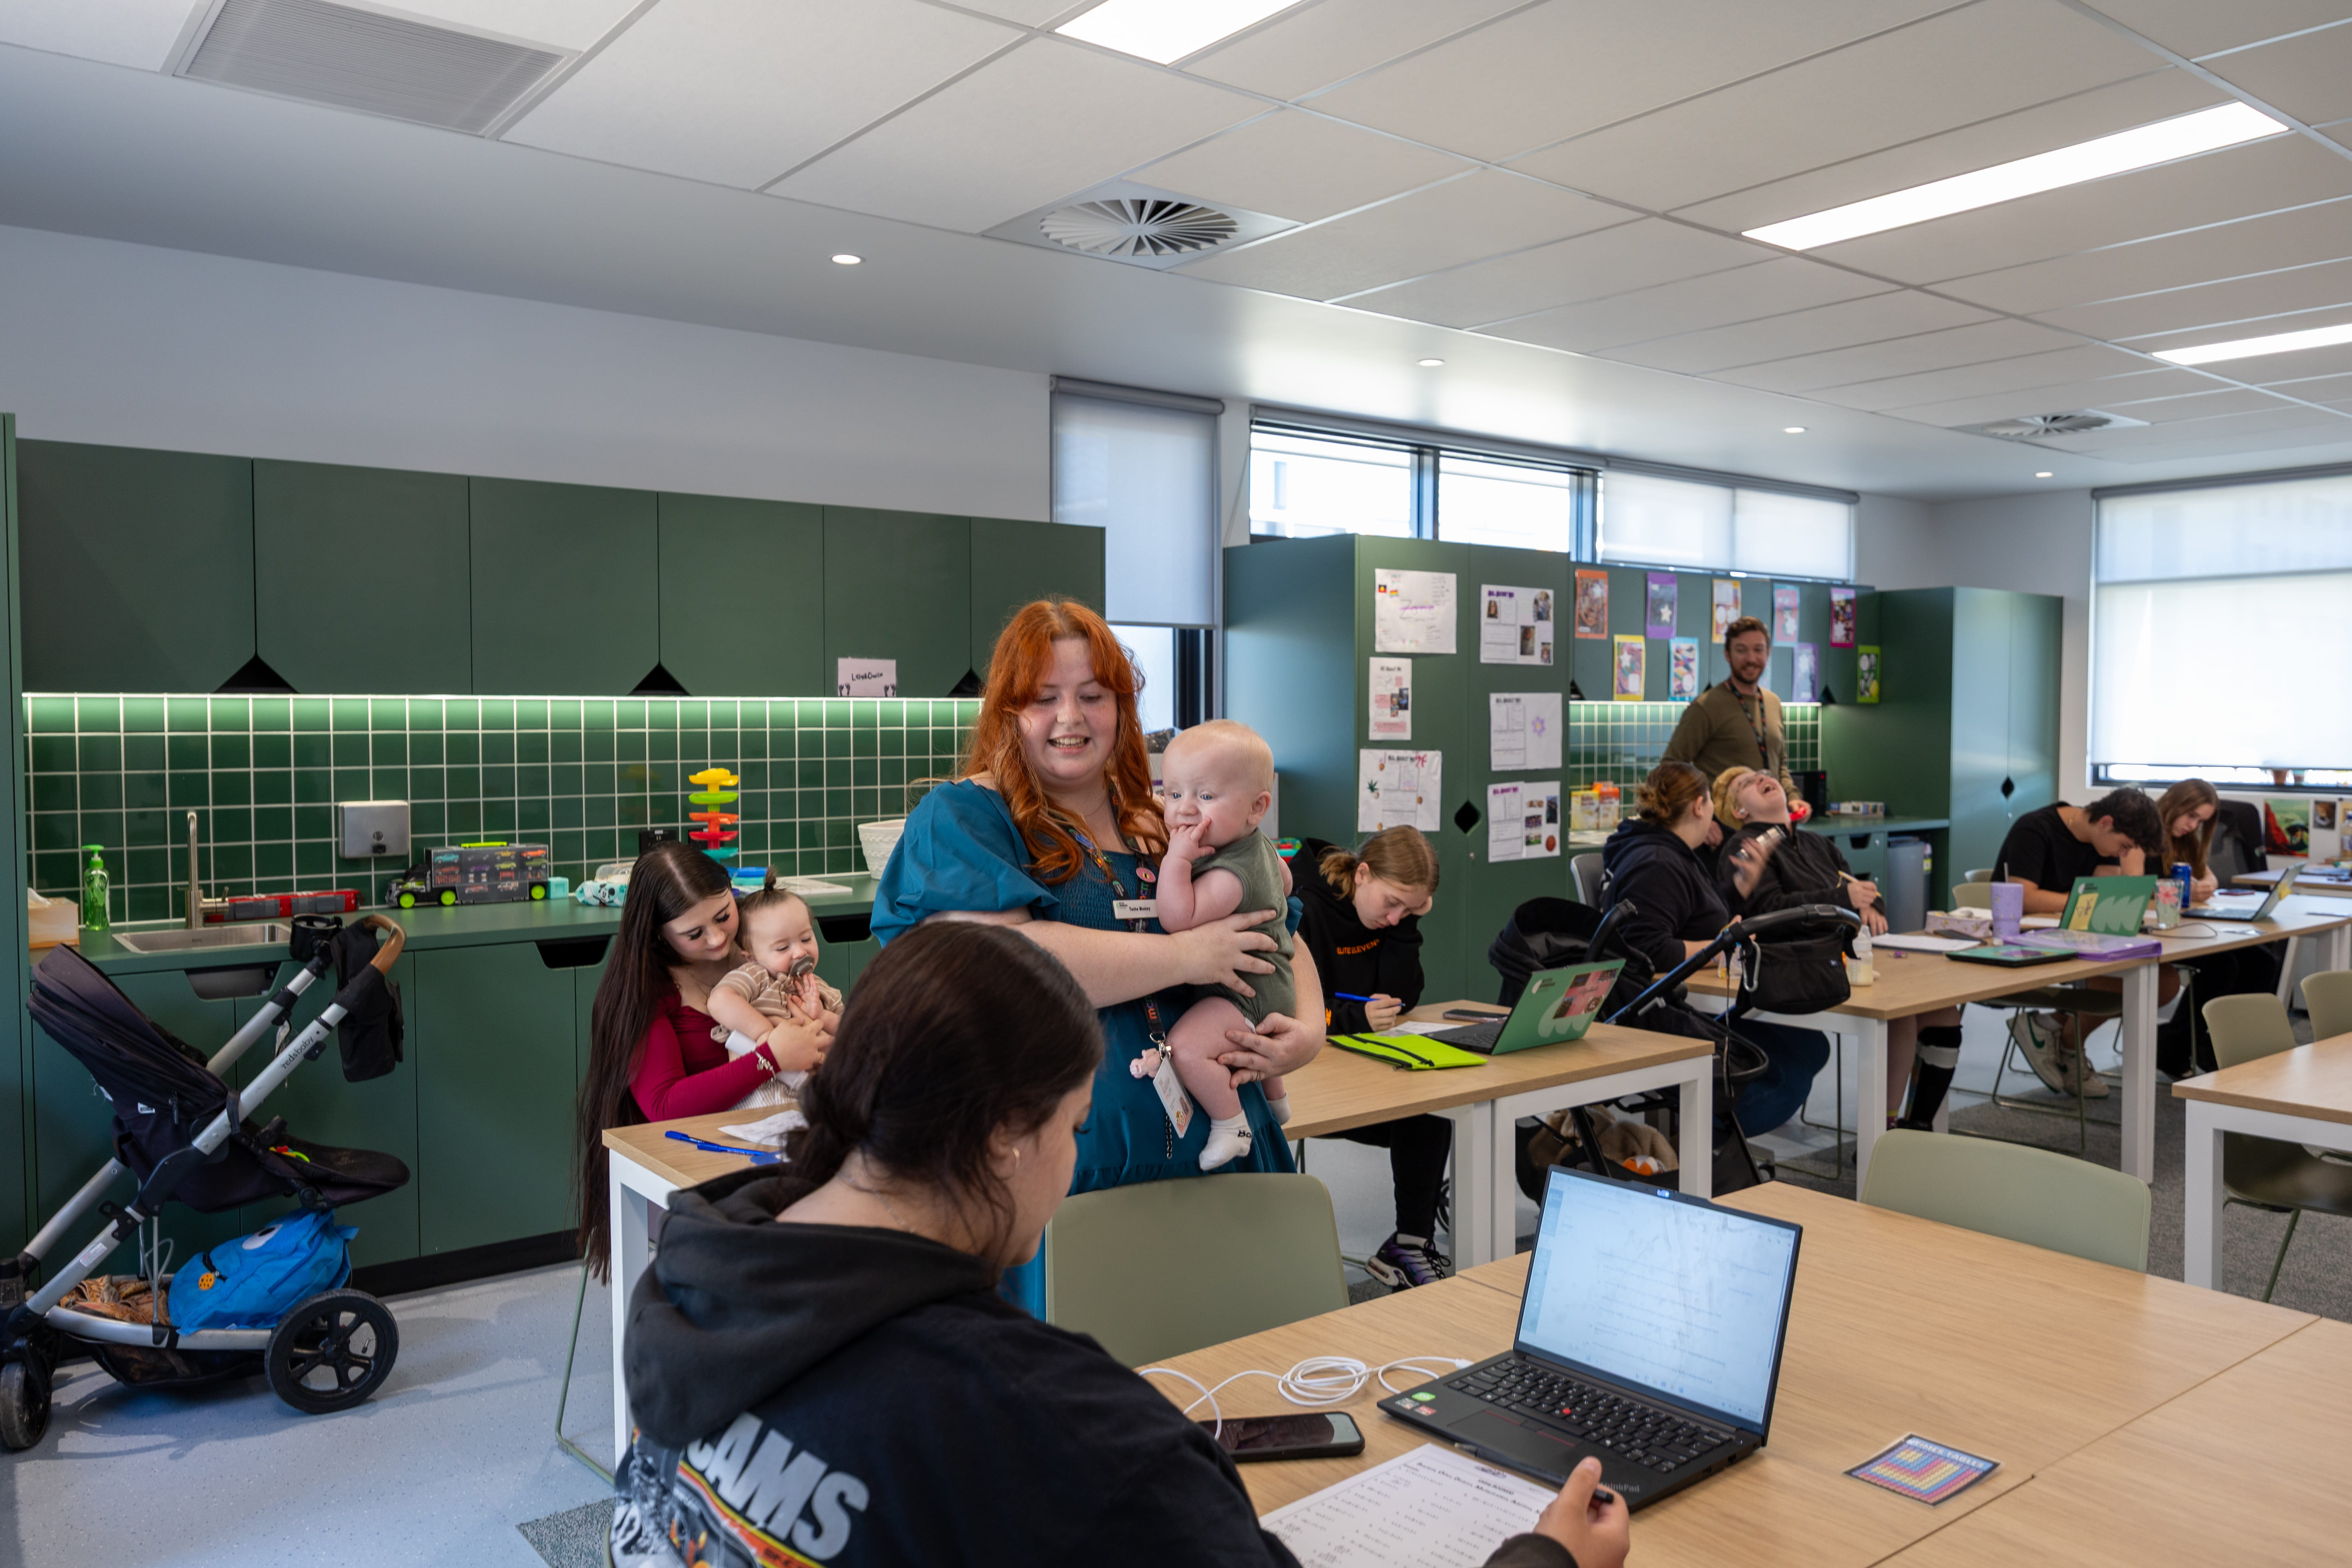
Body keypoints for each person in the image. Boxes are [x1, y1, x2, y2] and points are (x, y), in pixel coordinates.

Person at [610, 919, 1628, 1568]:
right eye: (1073, 1127)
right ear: (1006, 1135)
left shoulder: (703, 1275)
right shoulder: (1059, 1431)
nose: (1068, 1169)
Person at [871, 600, 1324, 1316]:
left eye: (1092, 695)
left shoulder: (1170, 817)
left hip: (1225, 1153)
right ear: (1008, 710)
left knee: (1252, 1361)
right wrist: (1187, 955)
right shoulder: (966, 817)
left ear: (1122, 705)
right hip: (1063, 1178)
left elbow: (1278, 925)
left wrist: (1309, 1030)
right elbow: (1008, 961)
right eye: (1043, 698)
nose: (1070, 718)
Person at [574, 842, 835, 1274]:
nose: (716, 939)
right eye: (694, 934)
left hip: (770, 1141)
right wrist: (771, 1056)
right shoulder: (646, 989)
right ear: (659, 931)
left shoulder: (761, 949)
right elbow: (664, 1106)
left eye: (723, 916)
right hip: (684, 1169)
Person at [1713, 767, 1965, 1129]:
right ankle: (1884, 1132)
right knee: (1900, 1015)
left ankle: (1918, 1127)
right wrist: (1844, 899)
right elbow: (1770, 912)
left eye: (1764, 773)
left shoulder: (1816, 843)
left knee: (1944, 1013)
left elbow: (1861, 891)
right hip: (1794, 969)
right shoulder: (1746, 849)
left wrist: (1872, 905)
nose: (1762, 778)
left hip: (1845, 960)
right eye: (1747, 783)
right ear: (1740, 811)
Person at [1600, 761, 1830, 1136]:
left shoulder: (1672, 853)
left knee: (1811, 1044)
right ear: (1698, 806)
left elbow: (1690, 913)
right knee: (1789, 1074)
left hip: (1686, 1001)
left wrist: (1737, 888)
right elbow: (1646, 949)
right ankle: (1695, 1147)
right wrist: (1721, 948)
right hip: (1659, 1015)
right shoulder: (1656, 863)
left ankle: (1711, 1137)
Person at [1292, 827, 1453, 1290]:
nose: (1395, 916)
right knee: (1421, 1119)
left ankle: (1409, 1244)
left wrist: (1406, 926)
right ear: (1362, 874)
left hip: (1362, 1068)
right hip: (1308, 1082)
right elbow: (1290, 1005)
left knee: (1430, 1112)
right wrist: (1354, 1018)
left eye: (1410, 909)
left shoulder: (1392, 920)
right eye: (1392, 903)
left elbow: (1402, 997)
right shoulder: (1306, 907)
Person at [1150, 720, 1296, 1170]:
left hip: (1246, 996)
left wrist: (1176, 861)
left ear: (1257, 807)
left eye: (1206, 796)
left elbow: (1178, 917)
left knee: (1186, 1048)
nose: (1185, 810)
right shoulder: (1259, 844)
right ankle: (1277, 1099)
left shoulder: (1229, 876)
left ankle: (1231, 1124)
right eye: (1174, 793)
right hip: (1273, 983)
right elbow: (1287, 883)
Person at [1993, 790, 2171, 1096]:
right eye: (2125, 845)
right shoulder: (2034, 829)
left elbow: (2107, 892)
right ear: (2106, 822)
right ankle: (2068, 1046)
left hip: (2077, 939)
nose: (2124, 853)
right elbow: (2023, 897)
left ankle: (2054, 1029)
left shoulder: (2101, 842)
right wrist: (2080, 900)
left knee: (2165, 981)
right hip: (2025, 941)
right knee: (2139, 982)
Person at [2152, 778, 2281, 1078]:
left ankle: (2224, 1042)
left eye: (2201, 821)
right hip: (2159, 929)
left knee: (2262, 961)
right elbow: (2136, 888)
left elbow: (2209, 877)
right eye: (2191, 816)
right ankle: (2178, 1044)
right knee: (2223, 966)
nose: (2193, 825)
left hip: (2184, 925)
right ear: (2175, 804)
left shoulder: (2185, 840)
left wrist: (2204, 886)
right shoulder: (2145, 834)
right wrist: (2183, 891)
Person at [706, 882, 845, 1110]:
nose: (800, 952)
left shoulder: (820, 987)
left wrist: (823, 1017)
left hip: (815, 1086)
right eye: (782, 948)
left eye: (806, 939)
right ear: (752, 957)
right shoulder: (756, 976)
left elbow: (852, 1032)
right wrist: (766, 1035)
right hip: (764, 1086)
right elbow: (719, 1001)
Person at [1662, 616, 1802, 814]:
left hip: (1770, 821)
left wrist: (1793, 798)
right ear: (1727, 655)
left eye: (1758, 650)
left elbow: (1778, 766)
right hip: (1724, 826)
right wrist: (1701, 817)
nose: (1751, 659)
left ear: (1768, 653)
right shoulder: (1706, 706)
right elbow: (1669, 769)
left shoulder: (1773, 703)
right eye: (1741, 650)